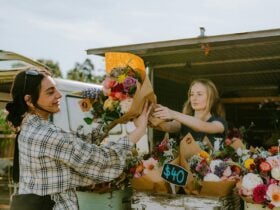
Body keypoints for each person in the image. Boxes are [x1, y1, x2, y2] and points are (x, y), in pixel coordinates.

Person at [6, 68, 152, 210]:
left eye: (56, 89)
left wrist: (113, 117)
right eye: (50, 92)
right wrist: (138, 131)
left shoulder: (30, 127)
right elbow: (101, 160)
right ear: (29, 101)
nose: (58, 95)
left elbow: (79, 142)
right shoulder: (45, 134)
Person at [153, 78, 227, 149]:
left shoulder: (220, 123)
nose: (194, 98)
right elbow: (169, 126)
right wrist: (151, 118)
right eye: (192, 94)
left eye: (199, 94)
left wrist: (173, 114)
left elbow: (201, 126)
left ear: (211, 98)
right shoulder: (183, 120)